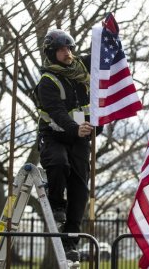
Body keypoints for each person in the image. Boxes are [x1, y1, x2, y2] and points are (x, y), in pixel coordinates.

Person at [35, 29, 100, 262]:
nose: (67, 53)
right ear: (51, 53)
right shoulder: (47, 81)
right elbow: (58, 114)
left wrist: (108, 37)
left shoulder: (81, 71)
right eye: (62, 49)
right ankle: (56, 204)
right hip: (54, 136)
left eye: (69, 48)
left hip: (80, 140)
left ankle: (70, 241)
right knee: (59, 164)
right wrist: (76, 128)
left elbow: (100, 57)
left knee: (80, 191)